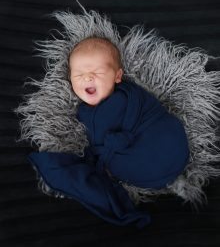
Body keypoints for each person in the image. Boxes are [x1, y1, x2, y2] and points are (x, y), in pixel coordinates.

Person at [28, 37, 189, 228]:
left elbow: (103, 142)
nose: (87, 77)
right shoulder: (100, 105)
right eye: (78, 74)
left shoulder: (126, 97)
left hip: (164, 142)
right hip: (168, 158)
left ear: (117, 76)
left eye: (97, 72)